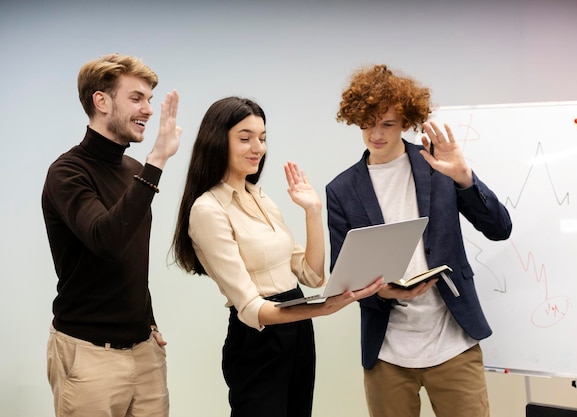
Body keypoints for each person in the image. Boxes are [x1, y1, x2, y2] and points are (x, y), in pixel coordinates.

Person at [171, 96, 383, 417]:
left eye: (263, 138)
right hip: (259, 339)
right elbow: (252, 309)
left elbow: (311, 276)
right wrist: (322, 309)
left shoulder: (262, 197)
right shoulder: (207, 209)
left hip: (297, 330)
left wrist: (313, 211)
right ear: (217, 141)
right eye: (245, 138)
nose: (258, 147)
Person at [326, 64, 513, 417]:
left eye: (388, 124)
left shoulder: (438, 167)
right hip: (387, 353)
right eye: (367, 122)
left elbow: (499, 228)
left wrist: (463, 177)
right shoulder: (341, 190)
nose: (375, 134)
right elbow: (343, 274)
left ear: (406, 122)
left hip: (454, 343)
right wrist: (382, 290)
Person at [41, 53, 182, 417]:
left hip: (143, 351)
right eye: (136, 98)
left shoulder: (134, 170)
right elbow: (107, 240)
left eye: (150, 99)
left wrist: (147, 319)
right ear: (101, 101)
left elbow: (132, 256)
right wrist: (158, 162)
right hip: (88, 355)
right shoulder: (67, 173)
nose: (148, 109)